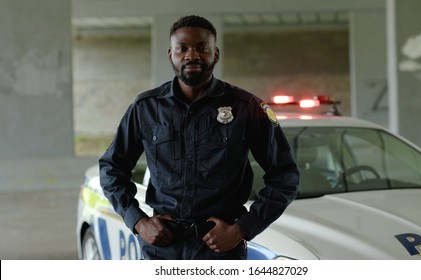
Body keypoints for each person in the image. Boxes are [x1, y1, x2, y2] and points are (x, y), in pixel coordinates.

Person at [99, 15, 300, 260]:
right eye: (182, 48)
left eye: (201, 48)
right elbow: (111, 167)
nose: (191, 55)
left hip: (221, 247)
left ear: (215, 54)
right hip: (161, 246)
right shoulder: (146, 108)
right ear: (170, 54)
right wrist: (138, 221)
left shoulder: (246, 108)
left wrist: (242, 229)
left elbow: (285, 176)